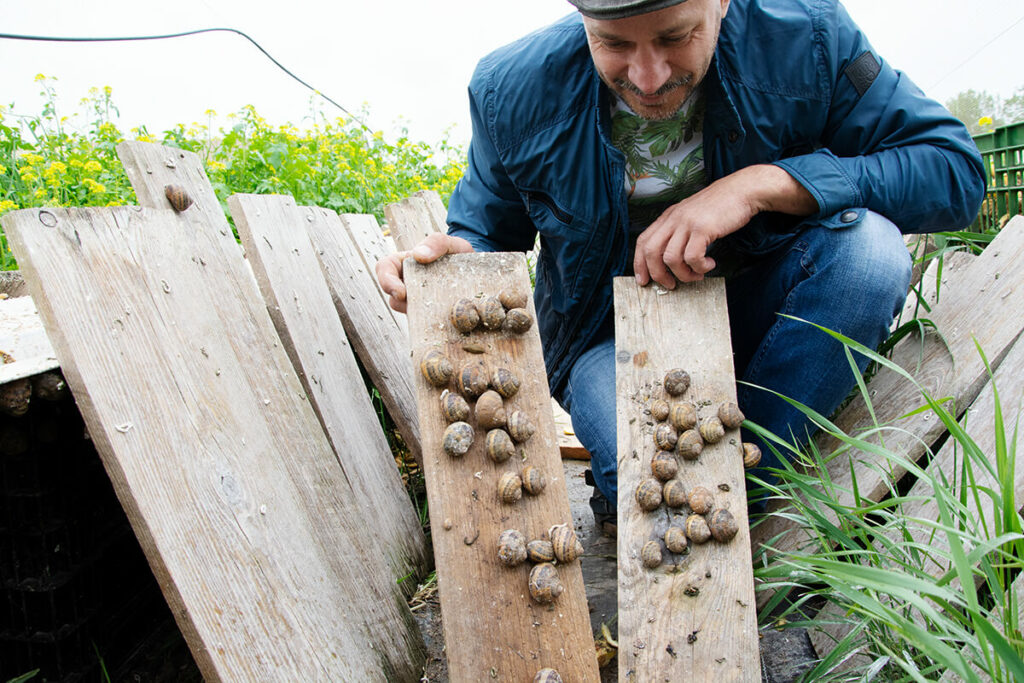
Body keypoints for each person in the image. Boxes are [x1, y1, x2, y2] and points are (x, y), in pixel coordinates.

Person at [377, 0, 985, 535]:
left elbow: (954, 171)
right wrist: (452, 264)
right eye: (614, 44)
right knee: (658, 481)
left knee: (873, 254)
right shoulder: (511, 87)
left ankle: (722, 492)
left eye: (674, 37)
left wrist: (764, 185)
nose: (648, 77)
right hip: (606, 339)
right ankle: (735, 503)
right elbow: (485, 232)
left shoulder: (811, 38)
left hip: (766, 311)